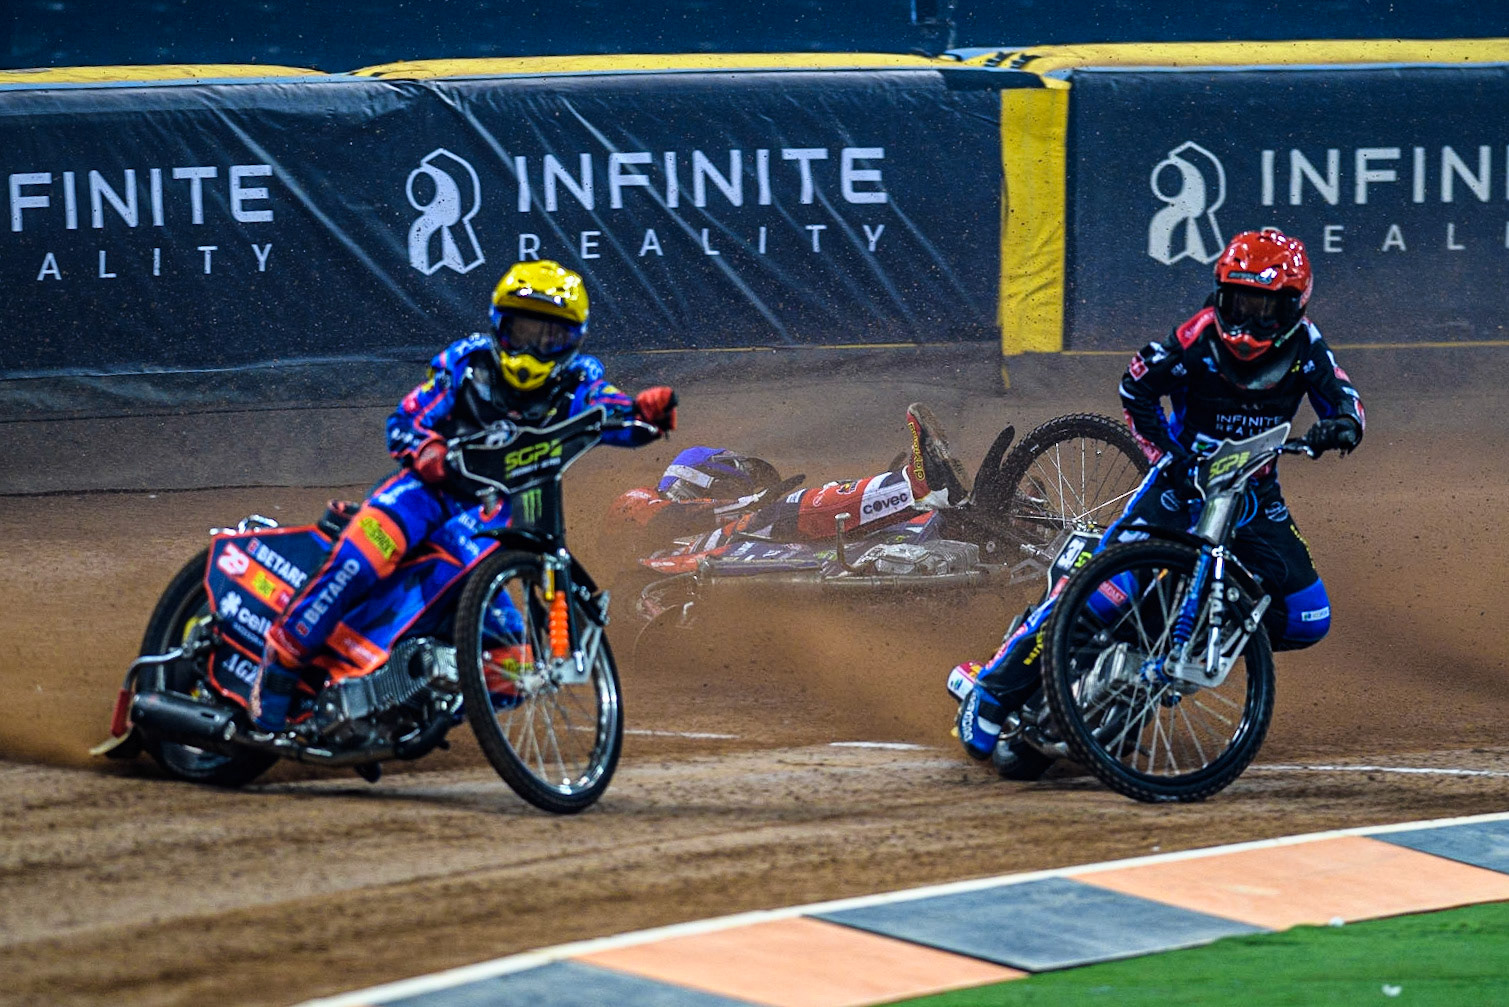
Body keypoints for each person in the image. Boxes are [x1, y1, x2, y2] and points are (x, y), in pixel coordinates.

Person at [952, 228, 1365, 759]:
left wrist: (1344, 427)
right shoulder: (1197, 337)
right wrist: (1165, 454)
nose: (1248, 320)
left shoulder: (1307, 345)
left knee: (1309, 619)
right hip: (1177, 489)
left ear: (1292, 307)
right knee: (1099, 596)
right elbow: (1135, 388)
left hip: (1253, 498)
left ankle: (1180, 641)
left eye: (1265, 307)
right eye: (1239, 302)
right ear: (1220, 294)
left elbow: (1345, 399)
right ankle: (989, 690)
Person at [248, 260, 679, 733]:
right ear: (499, 325)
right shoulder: (467, 363)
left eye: (550, 337)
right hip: (422, 496)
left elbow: (613, 413)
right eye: (523, 330)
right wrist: (426, 447)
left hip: (486, 524)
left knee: (516, 671)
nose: (534, 348)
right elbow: (404, 421)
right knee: (359, 564)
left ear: (573, 341)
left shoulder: (579, 379)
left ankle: (412, 706)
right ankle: (277, 670)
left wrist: (646, 411)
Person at [605, 403, 972, 552]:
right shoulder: (640, 499)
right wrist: (752, 503)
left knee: (822, 511)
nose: (750, 489)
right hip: (696, 563)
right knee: (784, 511)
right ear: (695, 479)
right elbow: (661, 519)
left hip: (741, 558)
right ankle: (915, 487)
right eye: (738, 482)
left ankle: (957, 519)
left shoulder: (739, 520)